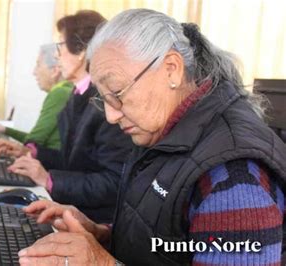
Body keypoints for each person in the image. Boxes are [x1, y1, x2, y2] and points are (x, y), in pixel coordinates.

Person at [17, 9, 286, 265]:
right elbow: (166, 245)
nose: (111, 116)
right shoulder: (162, 132)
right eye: (104, 99)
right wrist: (101, 235)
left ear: (171, 69)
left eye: (118, 93)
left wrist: (102, 262)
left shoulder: (234, 177)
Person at [0, 10, 133, 223]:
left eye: (60, 46)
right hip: (73, 208)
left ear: (81, 53)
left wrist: (48, 179)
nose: (56, 55)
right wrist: (32, 152)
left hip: (95, 222)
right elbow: (73, 162)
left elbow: (113, 183)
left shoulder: (106, 103)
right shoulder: (78, 93)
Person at [0, 43, 73, 150]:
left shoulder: (60, 93)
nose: (34, 72)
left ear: (54, 71)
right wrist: (5, 130)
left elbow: (34, 141)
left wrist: (14, 147)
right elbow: (35, 140)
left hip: (49, 164)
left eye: (38, 65)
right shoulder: (67, 90)